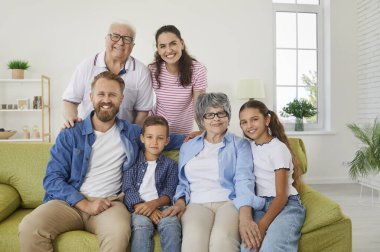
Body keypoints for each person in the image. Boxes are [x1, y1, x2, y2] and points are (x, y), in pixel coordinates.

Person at [18, 71, 184, 252]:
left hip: (110, 203)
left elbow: (166, 139)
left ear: (121, 99)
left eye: (112, 95)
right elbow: (52, 179)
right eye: (101, 94)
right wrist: (84, 204)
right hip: (68, 203)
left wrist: (203, 135)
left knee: (119, 232)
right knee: (29, 227)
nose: (106, 100)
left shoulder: (132, 133)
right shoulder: (71, 133)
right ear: (91, 97)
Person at [162, 92, 265, 252]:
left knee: (222, 241)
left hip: (228, 202)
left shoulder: (240, 145)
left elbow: (244, 180)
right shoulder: (188, 146)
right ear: (201, 119)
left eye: (221, 113)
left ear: (228, 116)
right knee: (194, 240)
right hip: (196, 203)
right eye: (209, 114)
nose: (216, 118)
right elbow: (182, 182)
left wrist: (246, 216)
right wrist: (180, 202)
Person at [238, 99, 306, 251]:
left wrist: (262, 226)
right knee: (248, 247)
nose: (249, 126)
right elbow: (223, 138)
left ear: (267, 120)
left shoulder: (278, 149)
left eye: (254, 119)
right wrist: (200, 134)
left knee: (272, 247)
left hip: (285, 204)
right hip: (259, 205)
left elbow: (281, 196)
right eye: (244, 122)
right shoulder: (246, 146)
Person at [62, 20, 153, 127]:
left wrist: (131, 138)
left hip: (124, 138)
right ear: (106, 39)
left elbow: (142, 113)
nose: (120, 42)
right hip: (89, 135)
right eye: (115, 36)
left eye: (127, 39)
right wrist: (71, 119)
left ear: (133, 45)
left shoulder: (142, 72)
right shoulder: (86, 66)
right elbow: (70, 100)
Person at [123, 115, 181, 252]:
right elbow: (128, 188)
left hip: (162, 206)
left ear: (167, 141)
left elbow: (170, 191)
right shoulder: (133, 161)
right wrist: (146, 209)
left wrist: (154, 205)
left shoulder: (170, 165)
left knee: (171, 224)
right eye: (149, 137)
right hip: (138, 208)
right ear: (142, 138)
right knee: (141, 225)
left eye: (160, 138)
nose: (154, 142)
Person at [149, 25, 207, 134]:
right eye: (162, 46)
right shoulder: (152, 69)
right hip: (157, 131)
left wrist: (205, 135)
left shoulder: (197, 70)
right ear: (158, 49)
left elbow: (199, 109)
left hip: (183, 134)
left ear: (182, 44)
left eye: (173, 44)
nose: (169, 50)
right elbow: (143, 103)